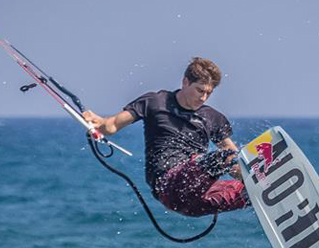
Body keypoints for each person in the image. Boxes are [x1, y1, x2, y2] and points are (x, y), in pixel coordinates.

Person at [82, 57, 249, 217]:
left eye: (208, 93)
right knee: (220, 158)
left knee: (251, 191)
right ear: (185, 82)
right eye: (200, 90)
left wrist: (247, 175)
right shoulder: (155, 102)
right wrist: (97, 122)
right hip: (169, 187)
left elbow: (233, 157)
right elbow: (111, 126)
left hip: (199, 199)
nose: (203, 97)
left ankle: (268, 190)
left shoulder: (212, 118)